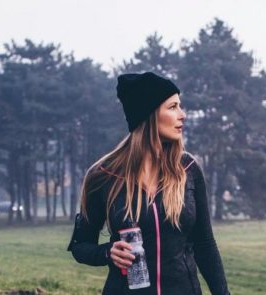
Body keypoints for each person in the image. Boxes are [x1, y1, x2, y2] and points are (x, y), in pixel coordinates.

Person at [67, 72, 231, 295]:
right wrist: (108, 253)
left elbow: (205, 244)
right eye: (173, 107)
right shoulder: (103, 175)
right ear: (149, 115)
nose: (182, 115)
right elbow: (80, 246)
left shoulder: (187, 169)